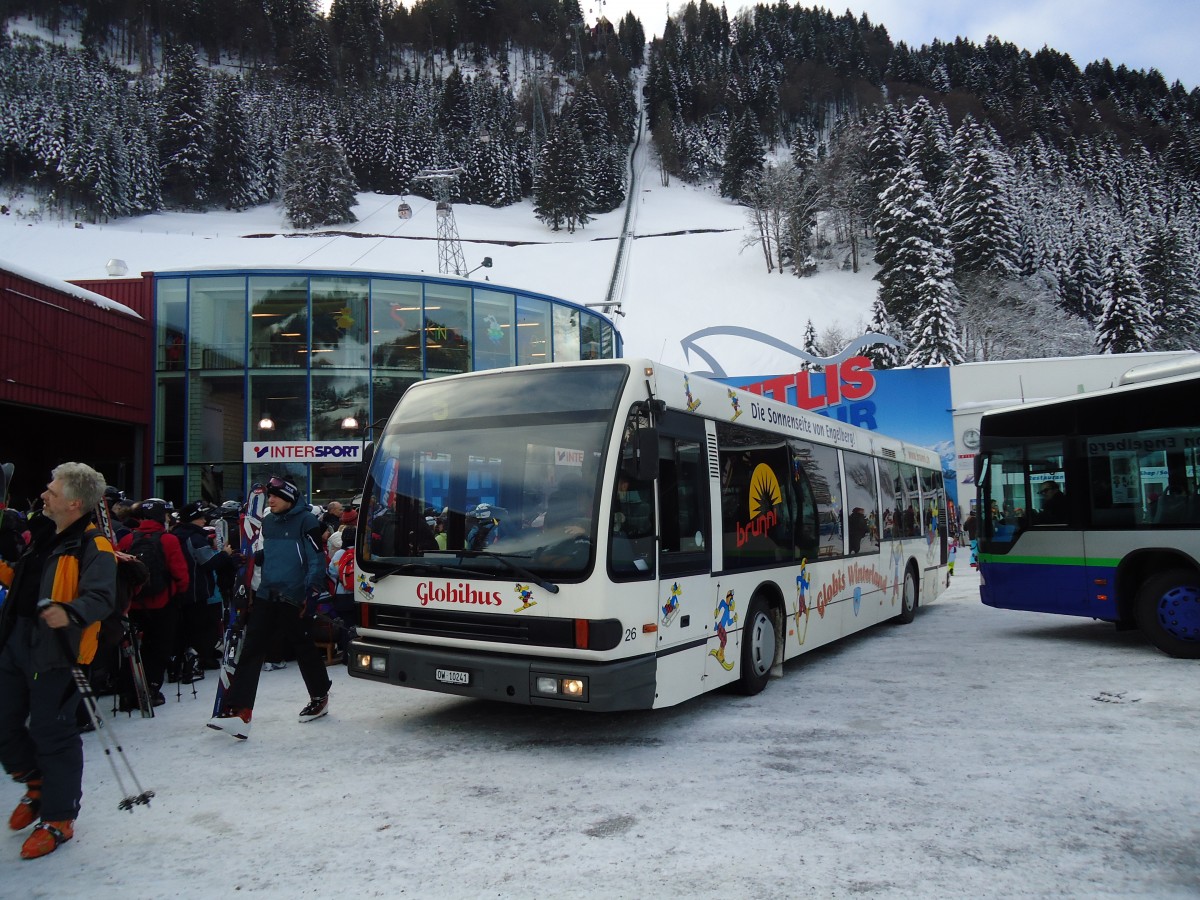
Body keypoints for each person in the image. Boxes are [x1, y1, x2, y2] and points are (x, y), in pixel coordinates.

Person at [0, 463, 116, 859]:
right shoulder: (43, 535)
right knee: (4, 719)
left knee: (53, 733)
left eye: (52, 490)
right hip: (16, 639)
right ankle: (35, 782)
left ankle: (59, 817)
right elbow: (22, 579)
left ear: (74, 502)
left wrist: (70, 612)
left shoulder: (92, 544)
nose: (44, 494)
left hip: (58, 651)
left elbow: (102, 598)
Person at [209, 477, 331, 738]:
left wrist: (311, 593)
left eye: (275, 496)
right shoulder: (269, 522)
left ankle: (320, 695)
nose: (270, 500)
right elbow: (273, 552)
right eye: (269, 496)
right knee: (252, 648)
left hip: (294, 596)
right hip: (267, 593)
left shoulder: (307, 521)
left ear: (289, 498)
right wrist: (252, 559)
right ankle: (241, 712)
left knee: (303, 646)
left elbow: (315, 560)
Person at [118, 499, 189, 706]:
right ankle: (150, 689)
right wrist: (179, 593)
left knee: (132, 649)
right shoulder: (168, 540)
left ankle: (127, 691)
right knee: (158, 648)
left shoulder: (128, 540)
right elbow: (180, 574)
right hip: (163, 602)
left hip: (134, 604)